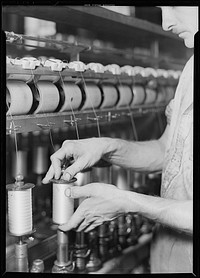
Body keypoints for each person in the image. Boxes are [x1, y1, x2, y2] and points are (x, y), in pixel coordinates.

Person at [42, 6, 198, 273]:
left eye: (173, 5)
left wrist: (128, 202)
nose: (166, 23)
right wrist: (105, 147)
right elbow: (167, 152)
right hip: (168, 261)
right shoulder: (191, 69)